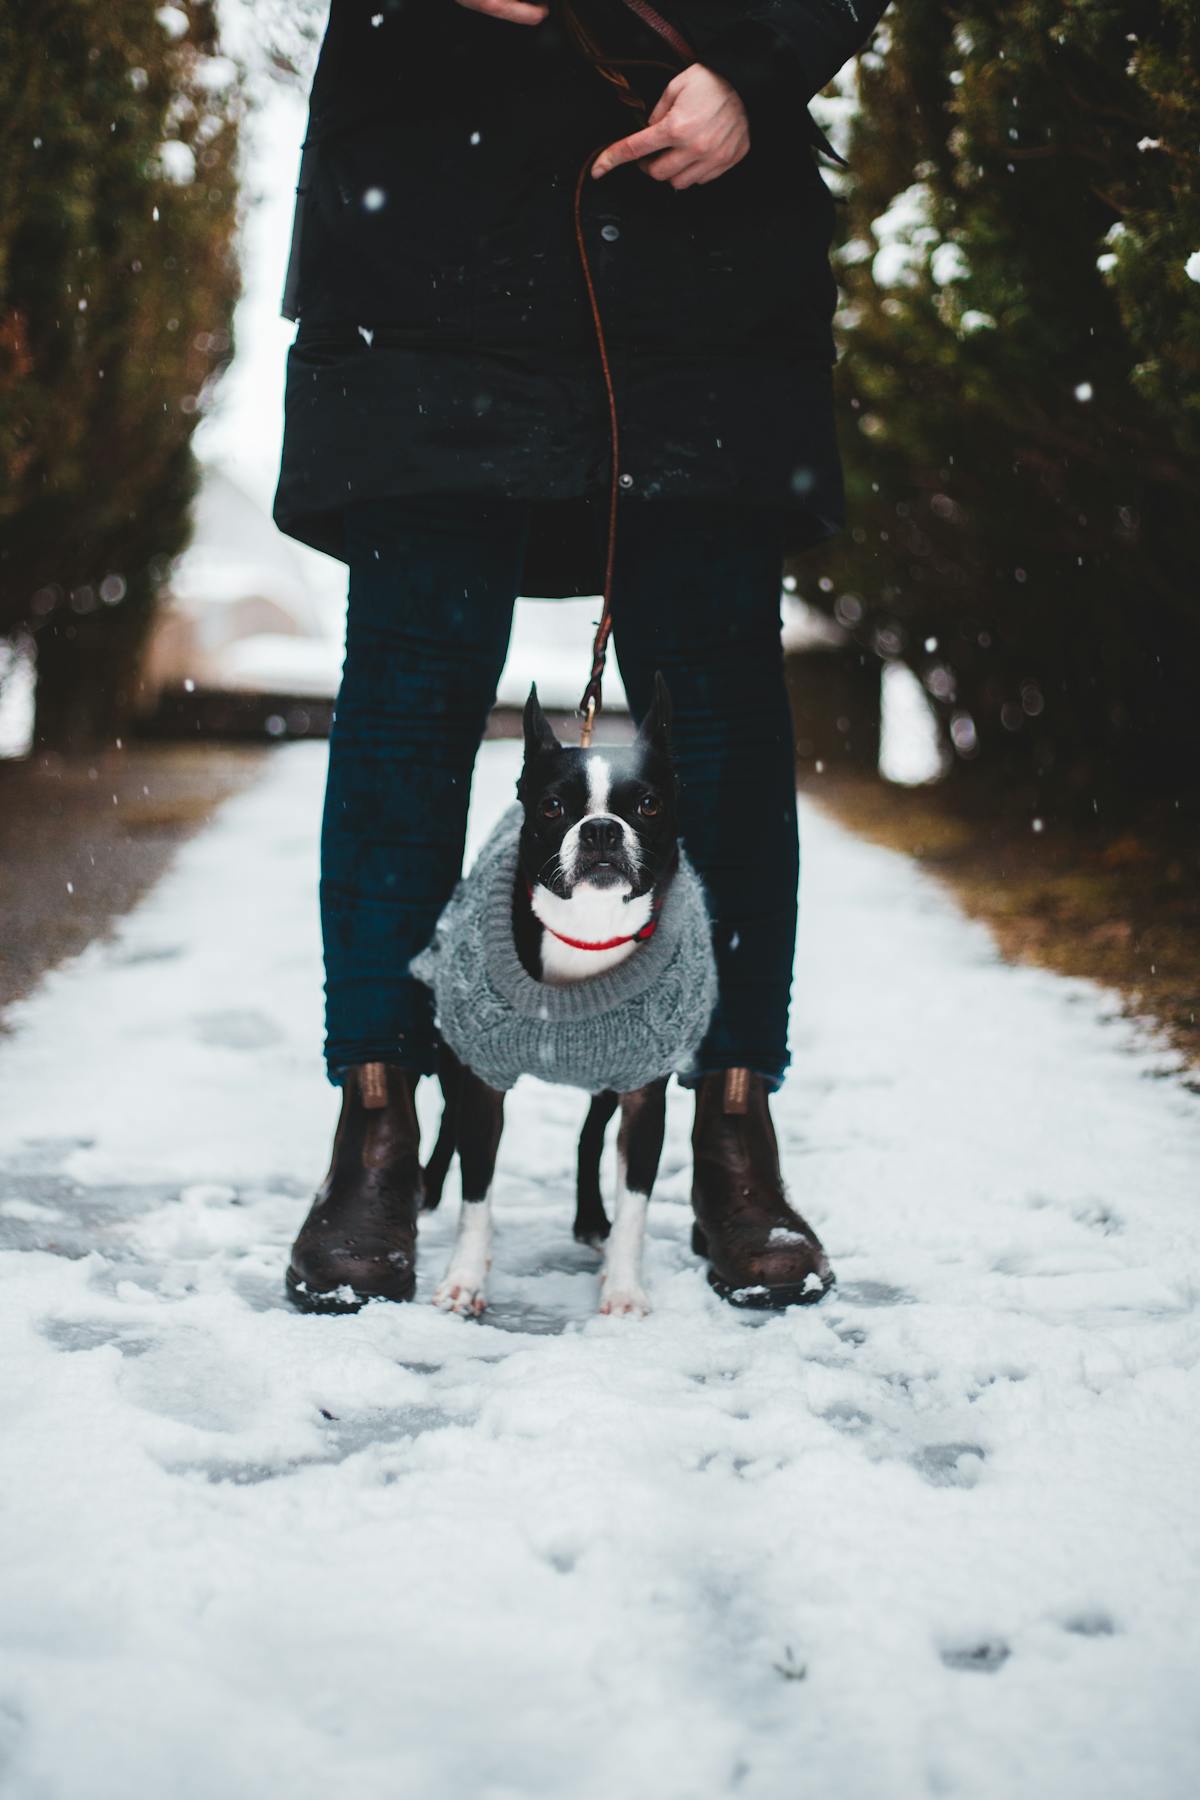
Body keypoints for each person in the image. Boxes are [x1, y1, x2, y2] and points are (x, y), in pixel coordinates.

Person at [273, 0, 887, 1312]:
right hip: (427, 221)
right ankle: (376, 1126)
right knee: (406, 693)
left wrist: (761, 68)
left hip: (701, 219)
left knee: (719, 705)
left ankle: (733, 1125)